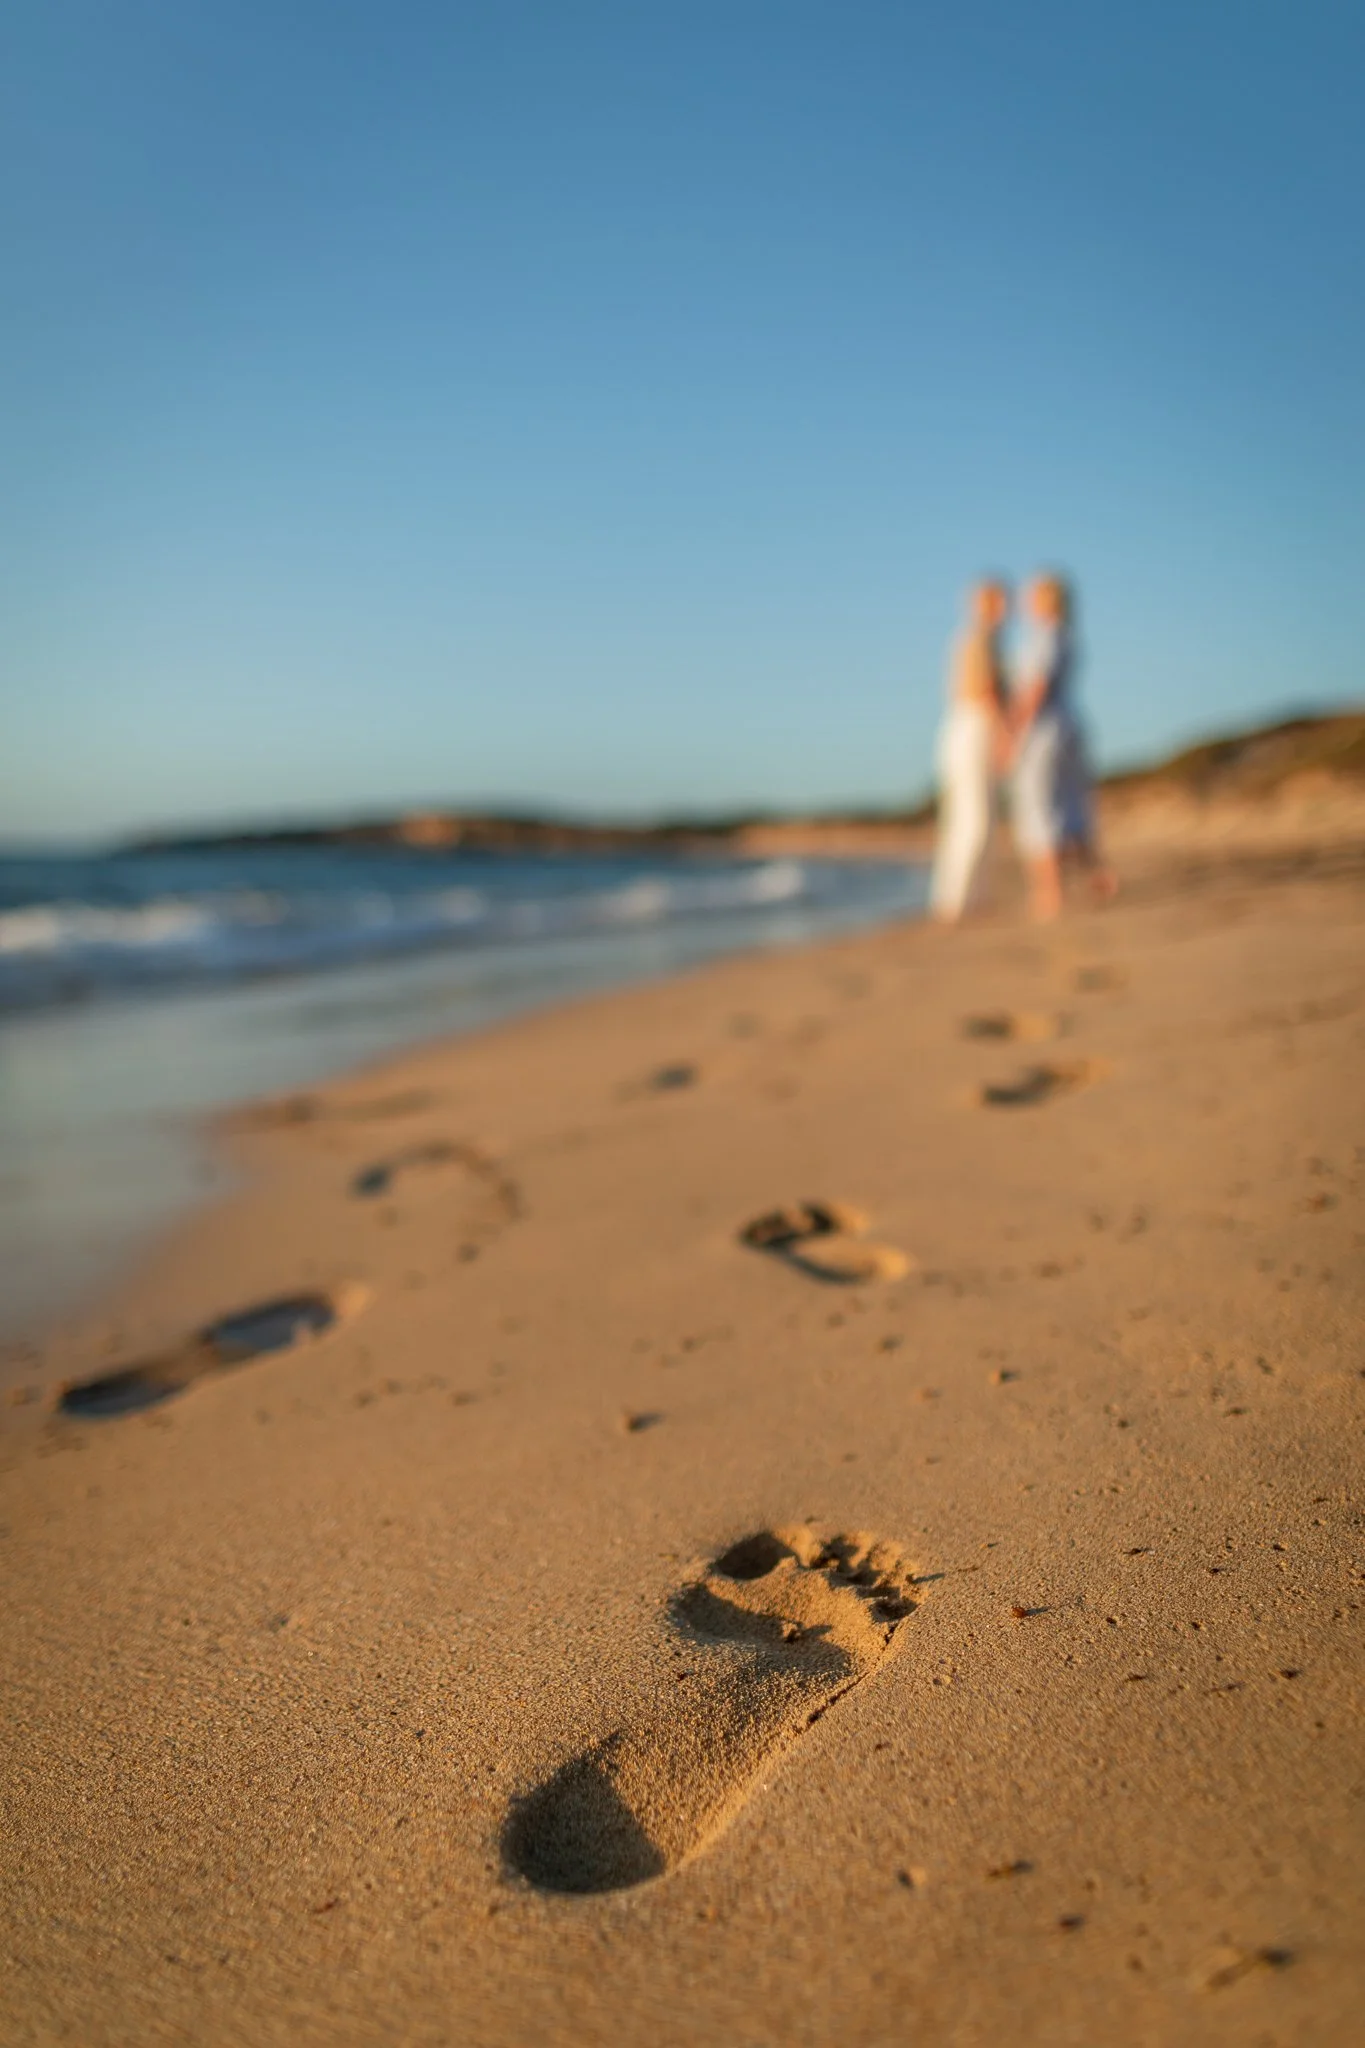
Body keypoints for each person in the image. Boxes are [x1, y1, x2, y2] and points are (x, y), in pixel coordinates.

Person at [1008, 573, 1115, 921]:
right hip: (1068, 724)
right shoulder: (1067, 635)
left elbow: (1036, 688)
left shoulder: (1045, 636)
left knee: (1039, 806)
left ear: (1045, 600)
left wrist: (1012, 732)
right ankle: (1098, 875)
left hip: (1043, 730)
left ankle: (1050, 893)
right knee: (1071, 805)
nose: (1024, 601)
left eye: (1030, 595)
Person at [929, 579, 1011, 923]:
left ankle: (972, 898)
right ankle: (955, 902)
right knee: (974, 818)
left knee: (977, 818)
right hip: (973, 728)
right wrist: (1006, 735)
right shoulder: (980, 638)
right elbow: (985, 690)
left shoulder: (979, 638)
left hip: (966, 728)